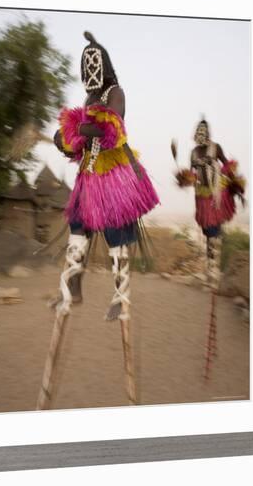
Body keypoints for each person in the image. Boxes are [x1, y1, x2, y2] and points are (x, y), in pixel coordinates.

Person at [51, 31, 160, 320]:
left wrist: (78, 129)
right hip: (89, 174)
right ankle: (72, 288)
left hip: (114, 173)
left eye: (94, 64)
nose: (90, 70)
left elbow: (112, 127)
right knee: (77, 224)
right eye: (86, 66)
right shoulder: (89, 97)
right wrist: (66, 141)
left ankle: (120, 297)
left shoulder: (115, 93)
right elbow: (84, 141)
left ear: (105, 66)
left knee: (116, 234)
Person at [175, 117, 245, 288]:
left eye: (203, 131)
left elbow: (227, 164)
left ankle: (213, 276)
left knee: (214, 231)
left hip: (217, 194)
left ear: (207, 133)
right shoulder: (194, 152)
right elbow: (192, 173)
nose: (200, 134)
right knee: (208, 232)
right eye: (198, 131)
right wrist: (186, 178)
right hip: (202, 195)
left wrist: (236, 185)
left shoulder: (216, 147)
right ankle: (211, 271)